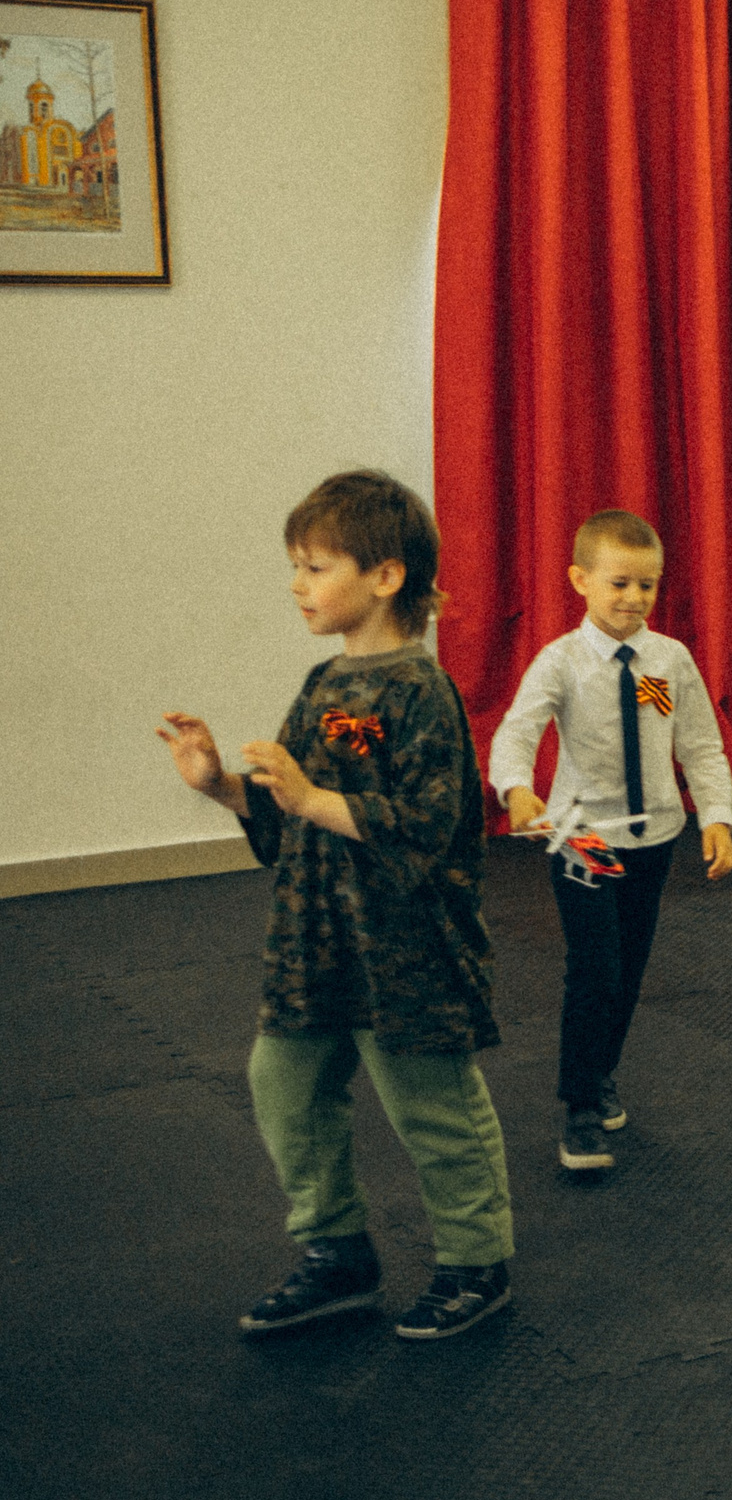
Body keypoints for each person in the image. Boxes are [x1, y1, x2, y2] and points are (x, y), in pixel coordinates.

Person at [157, 470, 514, 1342]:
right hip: (314, 938)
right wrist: (221, 786)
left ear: (386, 576)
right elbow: (289, 814)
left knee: (431, 1106)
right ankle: (337, 1252)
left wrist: (313, 795)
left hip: (406, 946)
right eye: (297, 566)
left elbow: (427, 825)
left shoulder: (422, 691)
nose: (297, 584)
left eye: (316, 567)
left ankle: (477, 1261)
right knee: (282, 1084)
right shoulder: (322, 682)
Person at [488, 509, 732, 1174]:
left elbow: (700, 743)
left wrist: (717, 815)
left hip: (654, 836)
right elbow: (516, 730)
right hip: (584, 836)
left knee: (627, 969)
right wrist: (516, 787)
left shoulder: (668, 662)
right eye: (619, 583)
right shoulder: (562, 662)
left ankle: (601, 1073)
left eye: (647, 585)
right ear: (581, 580)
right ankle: (578, 1105)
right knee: (594, 966)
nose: (634, 597)